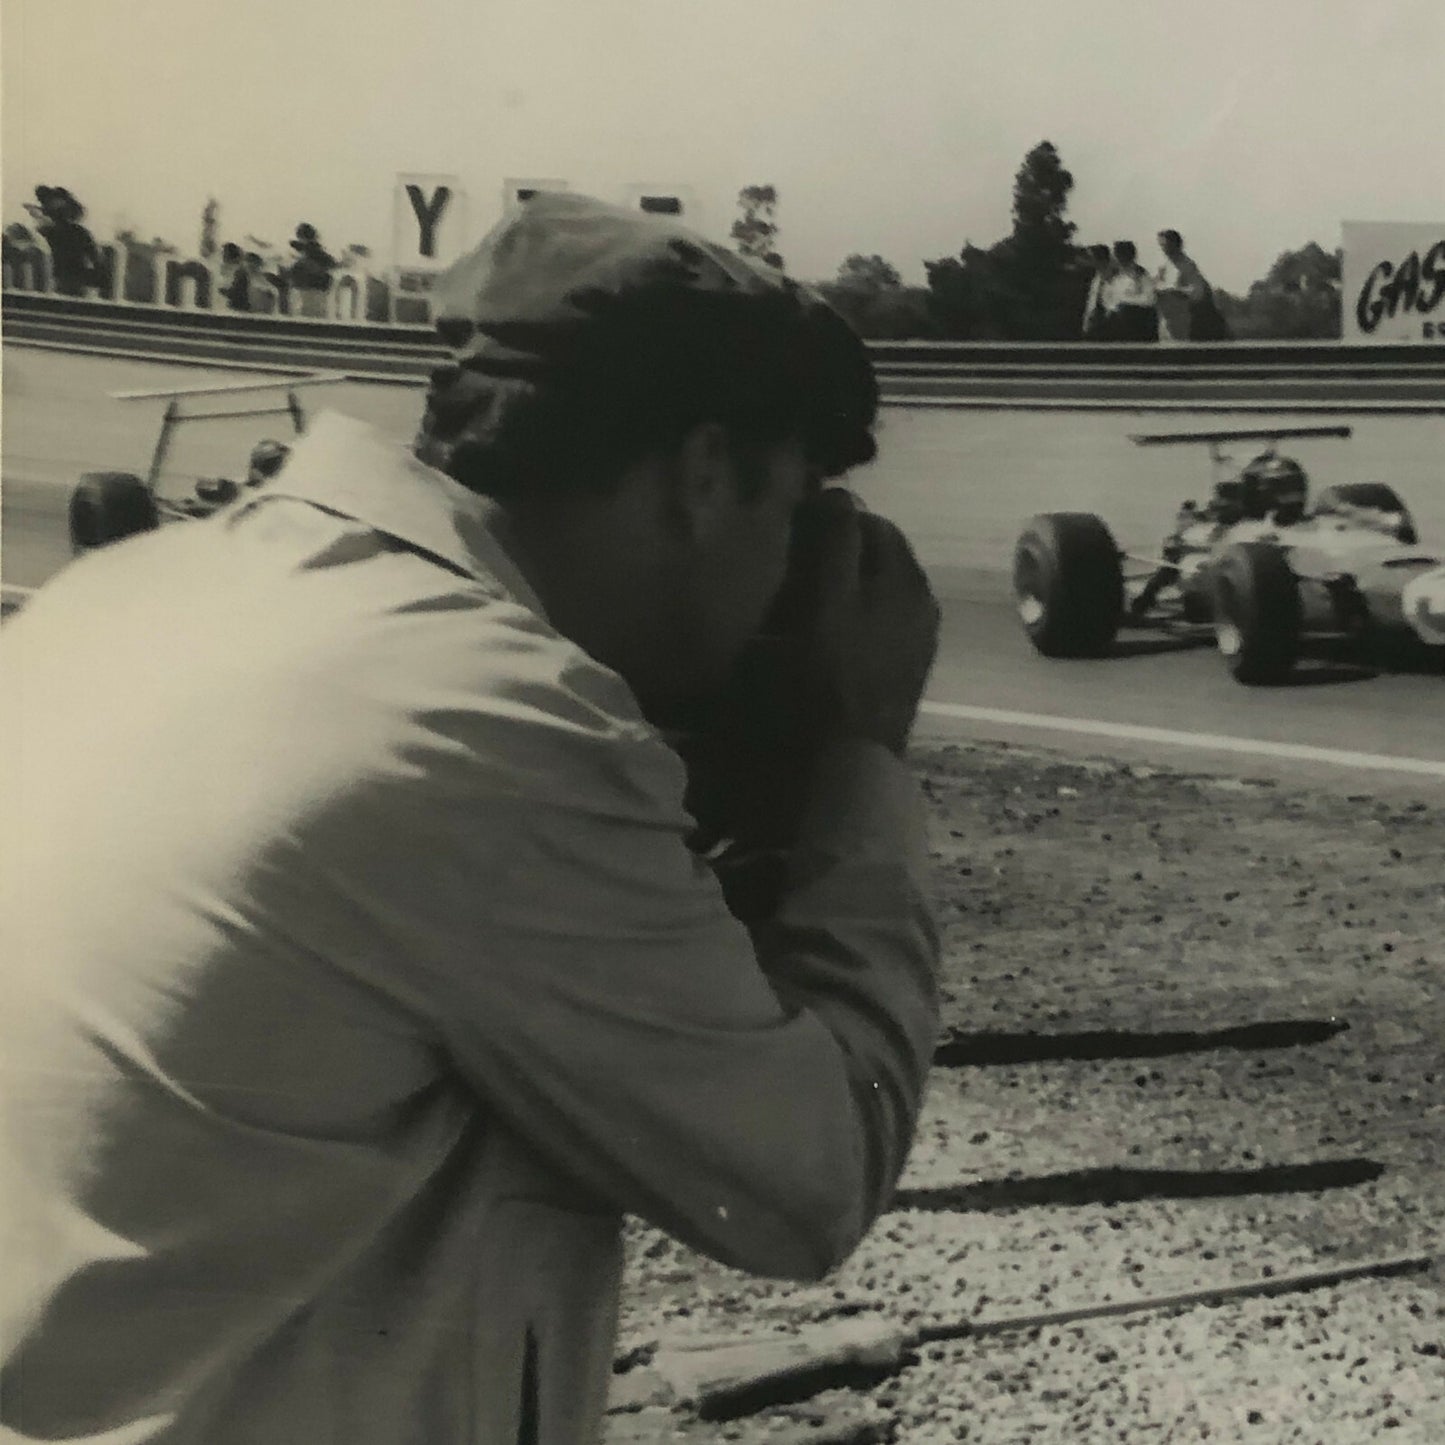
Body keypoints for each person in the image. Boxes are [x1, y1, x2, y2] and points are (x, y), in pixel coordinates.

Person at [0, 192, 942, 1445]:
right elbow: (806, 1181)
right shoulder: (496, 723)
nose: (792, 569)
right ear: (704, 474)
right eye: (790, 512)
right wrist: (859, 754)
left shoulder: (121, 595)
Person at [1154, 228, 1211, 341]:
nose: (1164, 249)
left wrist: (1177, 291)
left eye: (1166, 245)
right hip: (1165, 319)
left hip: (1182, 318)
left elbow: (1197, 292)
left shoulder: (1187, 265)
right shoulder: (1163, 267)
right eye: (1162, 246)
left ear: (1175, 244)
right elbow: (1156, 286)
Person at [1103, 240, 1158, 341]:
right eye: (1116, 254)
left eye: (1121, 254)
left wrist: (1125, 302)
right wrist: (1113, 307)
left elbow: (1149, 299)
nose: (1118, 257)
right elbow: (1107, 297)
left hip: (1137, 321)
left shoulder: (1141, 274)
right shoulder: (1113, 275)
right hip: (1115, 323)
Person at [1080, 243, 1115, 339]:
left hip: (1106, 326)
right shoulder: (1096, 278)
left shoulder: (1113, 279)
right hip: (1092, 325)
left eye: (1091, 257)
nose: (1088, 260)